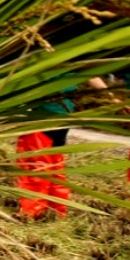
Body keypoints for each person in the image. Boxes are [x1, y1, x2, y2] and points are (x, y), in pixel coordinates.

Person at [15, 77, 109, 220]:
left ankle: (30, 212)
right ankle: (57, 210)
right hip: (63, 116)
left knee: (35, 166)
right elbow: (93, 76)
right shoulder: (74, 58)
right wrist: (113, 97)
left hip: (42, 117)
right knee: (55, 166)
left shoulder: (41, 56)